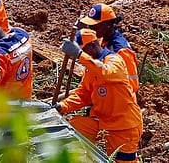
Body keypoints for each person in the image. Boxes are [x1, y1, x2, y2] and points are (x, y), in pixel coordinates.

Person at [55, 28, 143, 163]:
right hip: (102, 121)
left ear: (92, 46)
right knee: (73, 128)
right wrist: (61, 106)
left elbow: (105, 72)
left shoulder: (115, 61)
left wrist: (80, 55)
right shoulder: (91, 68)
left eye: (83, 51)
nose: (82, 57)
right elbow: (83, 94)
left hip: (123, 126)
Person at [77, 3, 139, 95]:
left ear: (107, 24)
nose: (91, 28)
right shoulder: (103, 39)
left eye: (95, 25)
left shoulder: (120, 49)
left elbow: (132, 85)